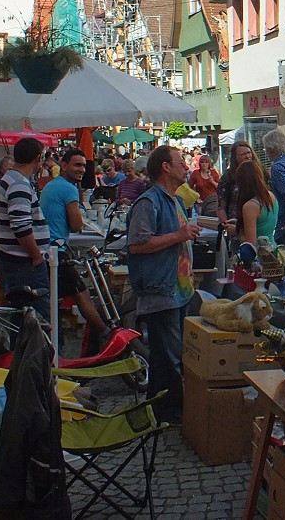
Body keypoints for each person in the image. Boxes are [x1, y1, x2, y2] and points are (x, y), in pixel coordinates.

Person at [125, 145, 201, 423]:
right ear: (166, 167)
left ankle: (155, 409)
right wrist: (179, 235)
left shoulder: (174, 200)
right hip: (161, 291)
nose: (186, 166)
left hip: (177, 289)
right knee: (169, 357)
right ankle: (171, 412)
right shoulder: (149, 202)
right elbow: (137, 244)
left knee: (167, 356)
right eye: (181, 162)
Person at [39, 149, 109, 339]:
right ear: (64, 165)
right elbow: (77, 225)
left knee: (75, 293)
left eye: (84, 166)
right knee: (82, 294)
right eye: (77, 165)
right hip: (55, 252)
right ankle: (107, 336)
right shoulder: (68, 188)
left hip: (47, 249)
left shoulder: (54, 185)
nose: (82, 170)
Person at [0, 138, 52, 318]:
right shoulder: (18, 184)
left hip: (15, 260)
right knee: (33, 316)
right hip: (24, 262)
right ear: (38, 158)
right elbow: (20, 226)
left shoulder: (11, 179)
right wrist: (36, 256)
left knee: (21, 315)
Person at [217, 141, 255, 237]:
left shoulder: (260, 173)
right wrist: (226, 225)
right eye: (243, 154)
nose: (247, 156)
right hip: (236, 227)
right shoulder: (228, 177)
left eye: (248, 153)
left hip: (257, 225)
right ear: (235, 158)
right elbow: (221, 206)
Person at [238, 160, 279, 245]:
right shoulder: (271, 196)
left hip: (259, 254)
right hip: (272, 248)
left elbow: (251, 243)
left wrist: (237, 232)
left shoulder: (250, 206)